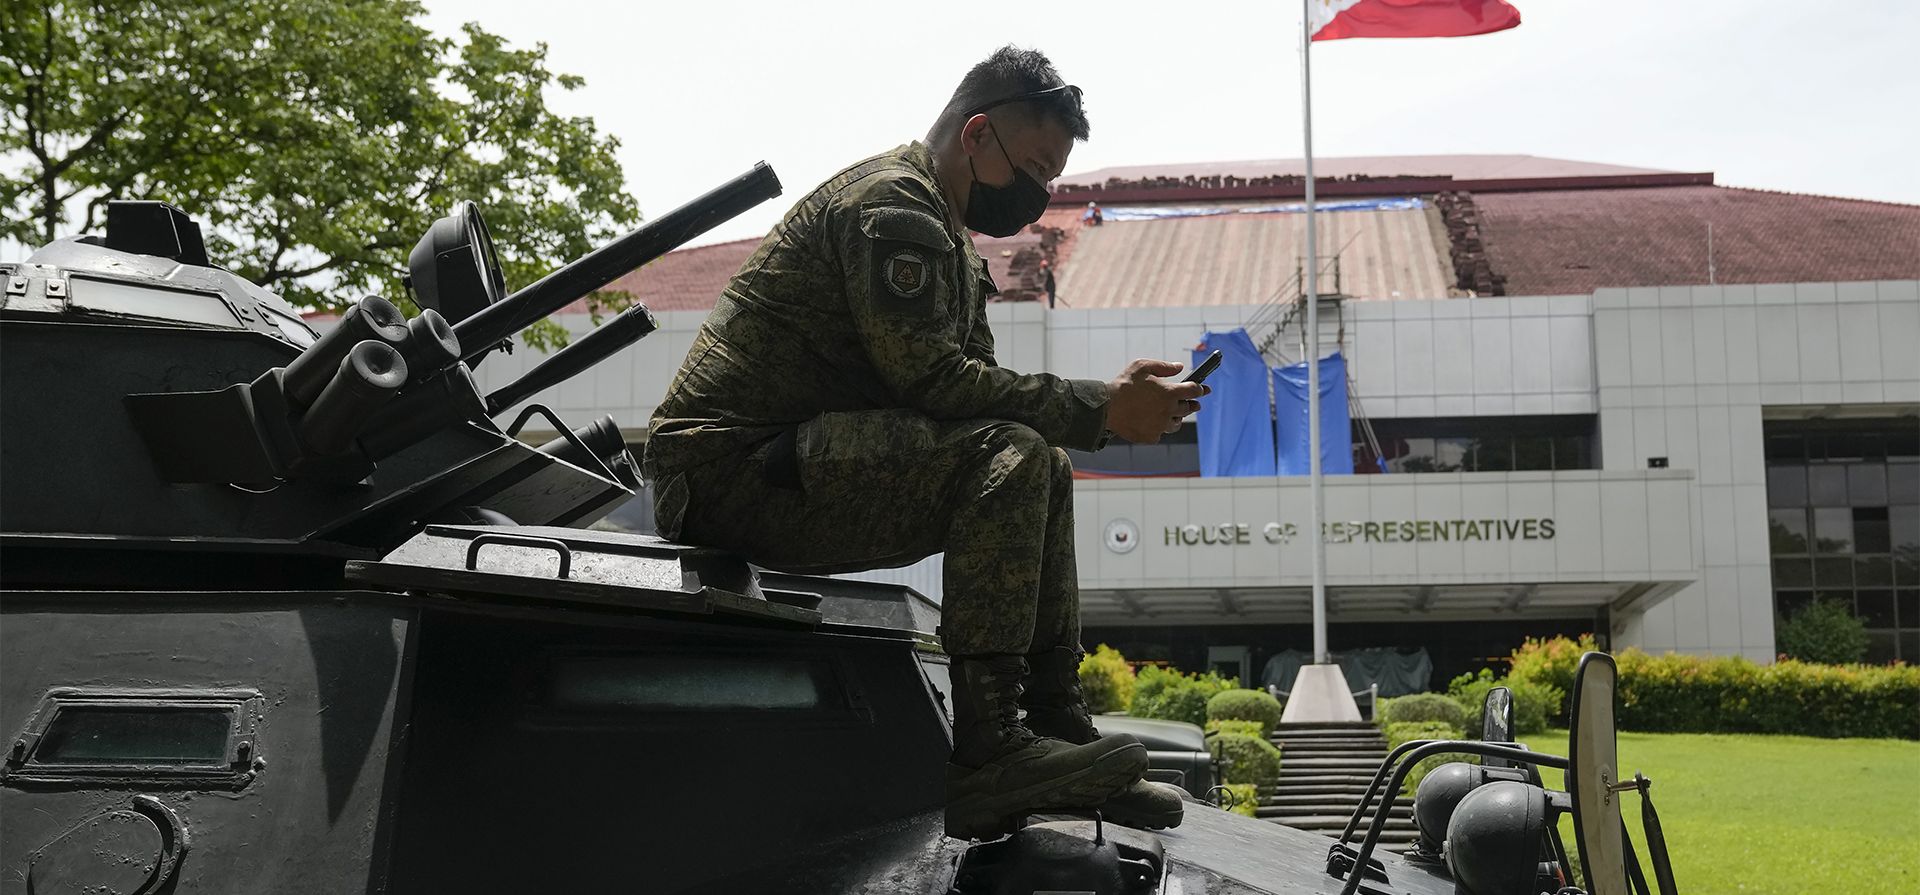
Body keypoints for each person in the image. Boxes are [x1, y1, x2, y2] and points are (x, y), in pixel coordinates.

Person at [645, 45, 1207, 840]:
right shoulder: (895, 207)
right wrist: (1103, 409)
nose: (1038, 198)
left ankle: (1054, 729)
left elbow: (970, 389)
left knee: (1036, 458)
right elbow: (933, 385)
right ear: (978, 134)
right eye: (1035, 171)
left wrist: (1103, 404)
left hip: (787, 456)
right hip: (729, 469)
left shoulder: (942, 228)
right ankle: (991, 753)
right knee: (1009, 457)